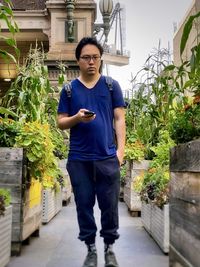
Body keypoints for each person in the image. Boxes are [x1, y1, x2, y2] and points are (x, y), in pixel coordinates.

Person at [57, 36, 126, 267]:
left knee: (109, 206)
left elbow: (119, 118)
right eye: (86, 57)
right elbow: (60, 122)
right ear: (78, 60)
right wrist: (77, 117)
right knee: (84, 205)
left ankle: (109, 247)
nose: (91, 62)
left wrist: (120, 152)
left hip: (107, 157)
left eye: (95, 57)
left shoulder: (111, 85)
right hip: (79, 159)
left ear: (100, 59)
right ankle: (90, 248)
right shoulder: (68, 90)